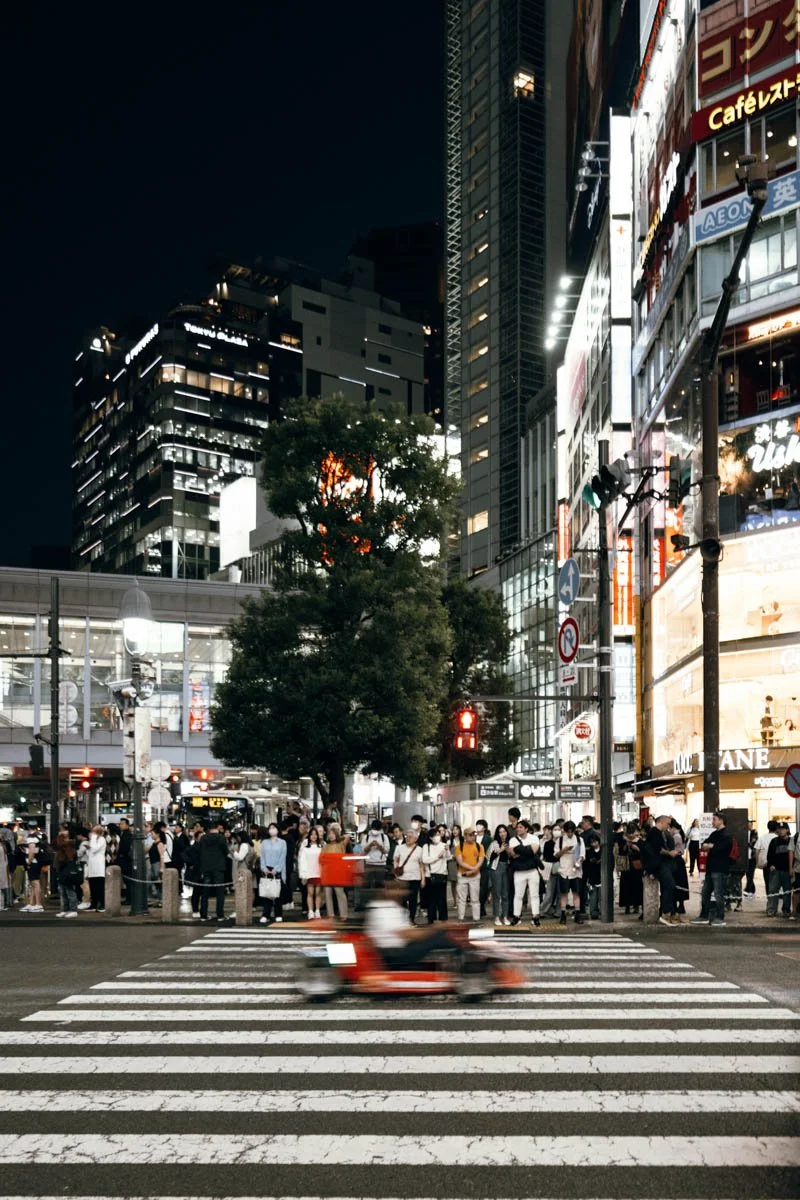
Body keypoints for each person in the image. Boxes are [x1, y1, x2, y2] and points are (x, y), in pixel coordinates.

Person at [364, 877, 480, 968]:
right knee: (441, 938)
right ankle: (470, 966)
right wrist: (436, 927)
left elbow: (409, 933)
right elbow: (407, 934)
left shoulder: (392, 908)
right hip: (394, 953)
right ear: (386, 891)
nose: (402, 892)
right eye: (396, 889)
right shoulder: (385, 910)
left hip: (399, 948)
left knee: (441, 935)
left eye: (401, 889)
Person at [692, 812, 732, 927]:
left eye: (714, 819)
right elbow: (704, 844)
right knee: (705, 892)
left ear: (721, 820)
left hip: (720, 868)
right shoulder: (714, 834)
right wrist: (709, 846)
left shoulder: (727, 835)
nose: (712, 822)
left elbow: (720, 849)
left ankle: (720, 917)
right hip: (710, 868)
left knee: (719, 893)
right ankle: (704, 915)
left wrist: (711, 846)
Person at [642, 815, 681, 925]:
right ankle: (666, 912)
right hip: (659, 865)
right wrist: (669, 853)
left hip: (663, 864)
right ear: (662, 822)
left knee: (668, 886)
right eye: (667, 824)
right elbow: (658, 849)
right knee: (669, 885)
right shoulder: (654, 833)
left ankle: (670, 912)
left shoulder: (661, 833)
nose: (668, 826)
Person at [508, 818, 542, 928]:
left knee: (534, 894)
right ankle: (516, 917)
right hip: (519, 871)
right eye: (517, 827)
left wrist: (520, 851)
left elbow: (534, 850)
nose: (518, 829)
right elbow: (512, 854)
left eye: (521, 827)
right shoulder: (513, 840)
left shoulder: (534, 838)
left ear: (526, 829)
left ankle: (535, 916)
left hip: (532, 871)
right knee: (518, 895)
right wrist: (528, 851)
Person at [554, 821, 585, 925]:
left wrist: (578, 863)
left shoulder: (580, 840)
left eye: (571, 832)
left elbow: (582, 855)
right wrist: (564, 850)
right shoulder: (560, 840)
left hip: (576, 871)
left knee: (576, 893)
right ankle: (563, 914)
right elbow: (556, 855)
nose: (570, 834)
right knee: (564, 894)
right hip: (564, 870)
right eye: (568, 832)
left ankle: (577, 914)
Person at [198, 819, 229, 922]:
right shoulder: (221, 838)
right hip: (219, 867)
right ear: (217, 828)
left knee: (205, 892)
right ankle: (220, 915)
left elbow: (200, 851)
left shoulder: (203, 838)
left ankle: (203, 915)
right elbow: (225, 851)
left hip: (206, 867)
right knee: (220, 892)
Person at [393, 829, 425, 923]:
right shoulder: (399, 848)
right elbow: (395, 860)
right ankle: (403, 919)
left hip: (415, 878)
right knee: (402, 899)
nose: (408, 839)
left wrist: (423, 879)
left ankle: (411, 919)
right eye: (407, 836)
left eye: (411, 837)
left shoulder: (420, 850)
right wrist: (396, 870)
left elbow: (421, 865)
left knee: (413, 900)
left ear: (415, 839)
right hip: (402, 878)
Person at [320, 823, 350, 922]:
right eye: (329, 833)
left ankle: (344, 914)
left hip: (338, 872)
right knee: (327, 894)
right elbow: (321, 859)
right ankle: (330, 914)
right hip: (327, 872)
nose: (331, 835)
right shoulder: (325, 846)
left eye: (333, 833)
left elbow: (346, 836)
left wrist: (336, 831)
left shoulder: (341, 845)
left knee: (340, 893)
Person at [259, 822, 287, 925]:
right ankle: (265, 914)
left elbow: (283, 857)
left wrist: (277, 869)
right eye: (270, 828)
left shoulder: (282, 842)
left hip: (277, 869)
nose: (272, 830)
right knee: (267, 892)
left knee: (277, 892)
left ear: (278, 830)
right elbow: (262, 856)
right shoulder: (264, 842)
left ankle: (278, 914)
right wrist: (263, 867)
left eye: (274, 828)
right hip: (266, 868)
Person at [454, 826, 484, 922]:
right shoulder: (459, 847)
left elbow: (481, 860)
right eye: (470, 835)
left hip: (475, 876)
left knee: (475, 899)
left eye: (473, 835)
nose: (472, 837)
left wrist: (473, 870)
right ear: (465, 836)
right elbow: (460, 862)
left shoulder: (479, 846)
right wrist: (473, 868)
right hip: (463, 875)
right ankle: (461, 917)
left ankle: (476, 918)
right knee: (461, 899)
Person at [421, 827, 449, 923]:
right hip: (430, 875)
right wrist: (437, 857)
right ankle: (431, 919)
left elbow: (448, 857)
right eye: (435, 835)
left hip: (442, 874)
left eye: (438, 834)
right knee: (431, 899)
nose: (437, 837)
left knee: (442, 899)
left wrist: (447, 850)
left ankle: (443, 919)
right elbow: (425, 860)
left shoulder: (444, 845)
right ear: (430, 837)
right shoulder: (426, 846)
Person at [766, 823, 794, 917]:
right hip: (776, 871)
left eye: (783, 829)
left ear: (787, 830)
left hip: (787, 870)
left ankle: (786, 910)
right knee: (773, 890)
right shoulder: (774, 841)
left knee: (787, 891)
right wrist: (771, 865)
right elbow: (769, 855)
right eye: (780, 829)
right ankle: (771, 909)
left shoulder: (791, 841)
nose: (781, 831)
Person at [487, 824, 511, 926]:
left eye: (504, 831)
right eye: (500, 832)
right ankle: (496, 917)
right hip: (496, 868)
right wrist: (501, 849)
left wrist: (509, 850)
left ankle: (505, 916)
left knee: (505, 894)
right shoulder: (494, 843)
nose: (502, 834)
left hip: (507, 868)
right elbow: (489, 857)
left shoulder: (511, 842)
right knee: (496, 894)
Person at [54, 826, 80, 918]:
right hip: (62, 867)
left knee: (69, 889)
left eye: (64, 830)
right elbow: (54, 845)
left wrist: (61, 837)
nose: (61, 832)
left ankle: (73, 909)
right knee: (62, 889)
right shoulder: (62, 842)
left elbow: (60, 845)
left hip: (68, 866)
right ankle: (65, 909)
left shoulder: (70, 843)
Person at [618, 821, 643, 915]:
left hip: (636, 865)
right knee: (626, 886)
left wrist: (633, 846)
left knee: (636, 886)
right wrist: (626, 846)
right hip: (626, 865)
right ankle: (627, 905)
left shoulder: (639, 840)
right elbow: (620, 852)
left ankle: (636, 905)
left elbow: (642, 852)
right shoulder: (623, 839)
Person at [298, 827, 322, 919]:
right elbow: (302, 861)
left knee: (318, 893)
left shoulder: (321, 847)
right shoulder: (305, 848)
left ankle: (317, 911)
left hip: (319, 872)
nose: (314, 836)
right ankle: (310, 911)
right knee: (310, 893)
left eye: (315, 834)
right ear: (309, 836)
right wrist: (303, 873)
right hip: (309, 873)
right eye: (312, 834)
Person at [754, 821, 778, 906]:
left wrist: (757, 862)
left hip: (765, 864)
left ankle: (769, 903)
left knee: (768, 883)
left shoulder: (762, 837)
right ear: (776, 828)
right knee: (776, 885)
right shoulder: (778, 838)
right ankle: (774, 904)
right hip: (777, 865)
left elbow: (757, 850)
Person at [84, 825, 107, 912]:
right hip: (92, 865)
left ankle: (102, 904)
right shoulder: (93, 840)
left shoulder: (101, 839)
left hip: (99, 866)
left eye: (93, 832)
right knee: (92, 886)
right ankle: (93, 904)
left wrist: (92, 839)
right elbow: (90, 853)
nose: (91, 833)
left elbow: (95, 849)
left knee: (99, 886)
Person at [20, 840, 46, 913]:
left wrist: (29, 862)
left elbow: (32, 851)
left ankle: (38, 904)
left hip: (33, 864)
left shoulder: (32, 838)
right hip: (34, 863)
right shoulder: (34, 838)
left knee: (35, 883)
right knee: (33, 884)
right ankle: (32, 903)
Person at [669, 819, 689, 915]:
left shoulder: (675, 836)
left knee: (676, 883)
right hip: (679, 862)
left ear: (672, 828)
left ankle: (677, 906)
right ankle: (680, 905)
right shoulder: (679, 835)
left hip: (676, 861)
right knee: (680, 883)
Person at [475, 819, 492, 916]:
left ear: (484, 828)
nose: (478, 827)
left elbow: (489, 853)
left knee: (483, 887)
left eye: (480, 825)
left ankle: (481, 906)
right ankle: (477, 907)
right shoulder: (473, 838)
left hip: (484, 866)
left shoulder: (488, 839)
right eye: (477, 825)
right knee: (475, 887)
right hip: (474, 865)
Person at [116, 818, 133, 901]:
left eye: (122, 823)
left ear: (127, 825)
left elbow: (125, 848)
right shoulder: (123, 834)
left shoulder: (127, 835)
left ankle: (129, 898)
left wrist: (120, 853)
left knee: (128, 880)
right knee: (126, 880)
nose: (120, 825)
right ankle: (128, 898)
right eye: (120, 824)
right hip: (124, 859)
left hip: (126, 860)